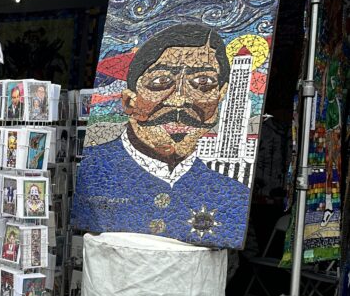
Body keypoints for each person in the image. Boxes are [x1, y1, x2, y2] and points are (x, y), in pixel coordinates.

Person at [72, 22, 250, 246]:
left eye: (203, 82)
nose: (179, 100)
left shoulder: (231, 194)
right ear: (129, 100)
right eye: (160, 82)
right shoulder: (94, 169)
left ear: (220, 96)